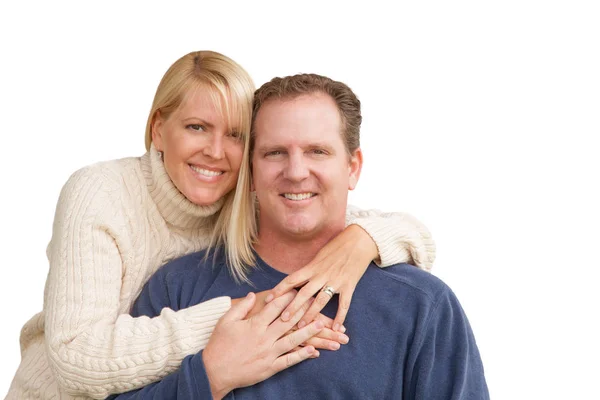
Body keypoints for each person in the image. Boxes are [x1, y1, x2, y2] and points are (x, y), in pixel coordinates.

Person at [6, 52, 435, 399]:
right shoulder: (100, 194)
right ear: (158, 128)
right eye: (196, 127)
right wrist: (235, 320)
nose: (216, 151)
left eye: (235, 134)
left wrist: (364, 240)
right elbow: (76, 360)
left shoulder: (244, 196)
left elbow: (322, 207)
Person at [111, 73, 488, 399]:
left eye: (317, 152)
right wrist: (211, 377)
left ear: (352, 167)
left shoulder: (422, 305)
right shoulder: (177, 288)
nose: (295, 171)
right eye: (275, 153)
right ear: (251, 171)